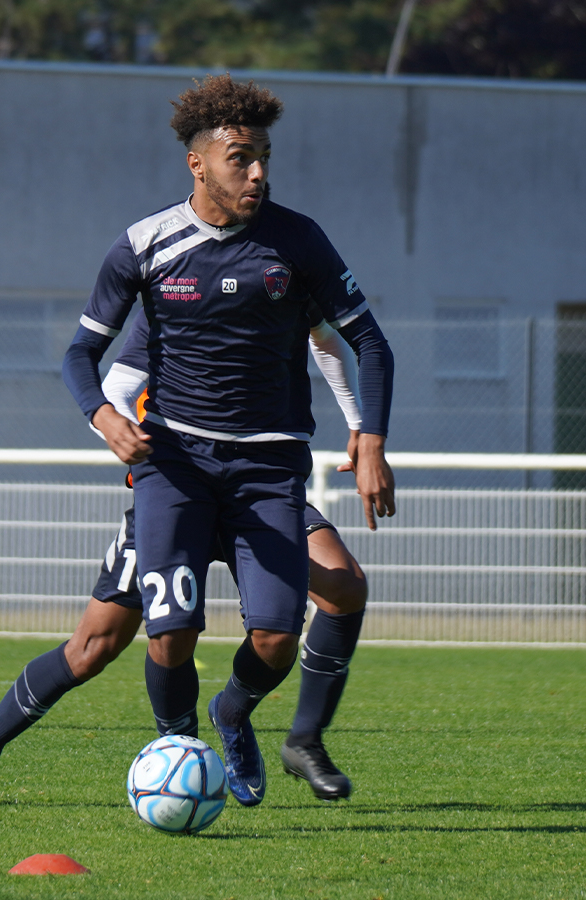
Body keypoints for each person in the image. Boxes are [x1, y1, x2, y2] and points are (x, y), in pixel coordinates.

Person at [68, 74, 393, 808]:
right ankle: (176, 747)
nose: (258, 173)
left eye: (265, 157)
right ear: (199, 163)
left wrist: (367, 436)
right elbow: (81, 358)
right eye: (242, 158)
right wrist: (104, 417)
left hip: (266, 470)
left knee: (281, 634)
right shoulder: (149, 248)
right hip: (177, 468)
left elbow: (363, 341)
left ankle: (236, 713)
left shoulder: (297, 240)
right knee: (160, 634)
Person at [0, 308, 370, 804]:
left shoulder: (269, 284)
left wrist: (359, 425)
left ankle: (270, 726)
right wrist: (118, 429)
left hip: (258, 486)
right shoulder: (168, 300)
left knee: (343, 586)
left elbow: (326, 337)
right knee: (94, 648)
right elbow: (112, 387)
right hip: (176, 495)